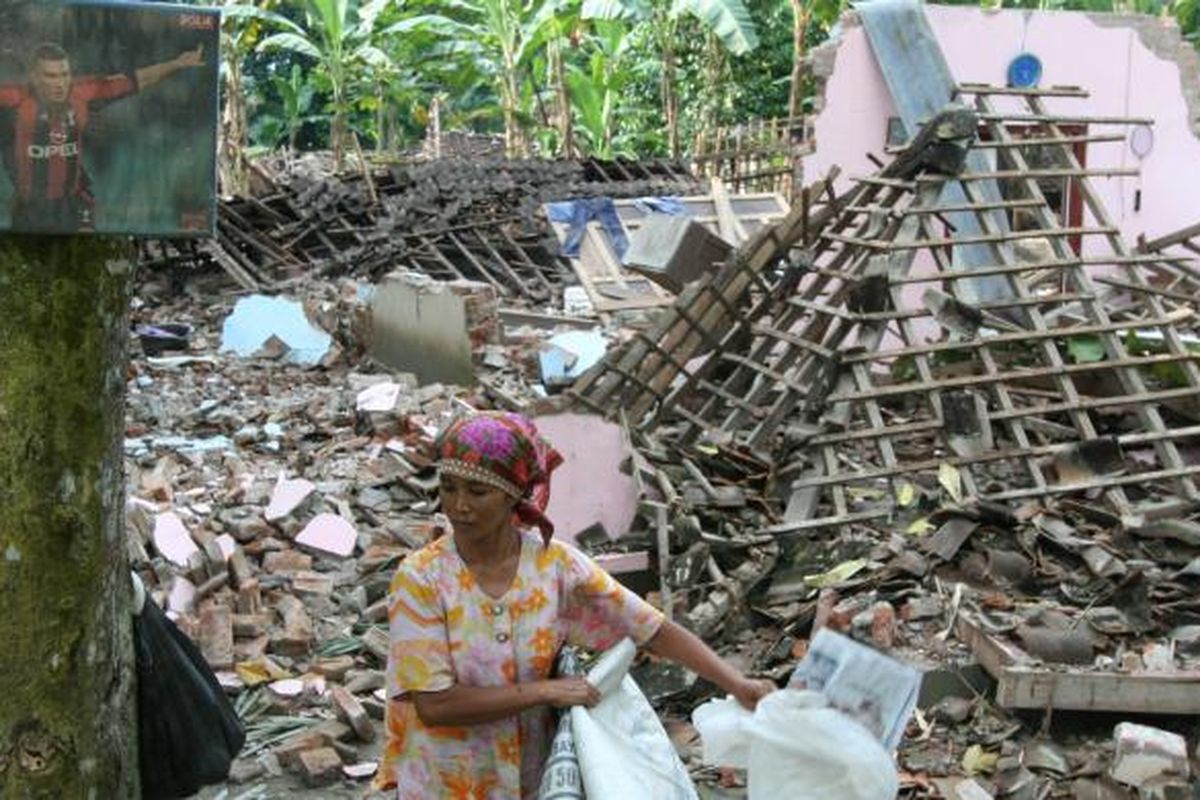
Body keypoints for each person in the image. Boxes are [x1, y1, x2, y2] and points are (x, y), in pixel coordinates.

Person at [375, 412, 775, 799]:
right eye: (448, 487)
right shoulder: (422, 578)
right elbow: (435, 705)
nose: (458, 505)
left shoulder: (554, 565)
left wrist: (737, 684)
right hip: (448, 781)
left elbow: (651, 629)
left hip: (533, 778)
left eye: (477, 491)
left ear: (513, 493)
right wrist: (544, 691)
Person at [0, 42, 205, 232]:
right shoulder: (13, 99)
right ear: (34, 78)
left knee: (85, 254)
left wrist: (177, 63)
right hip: (29, 207)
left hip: (74, 203)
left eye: (64, 74)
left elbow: (135, 80)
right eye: (50, 76)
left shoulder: (82, 92)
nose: (60, 83)